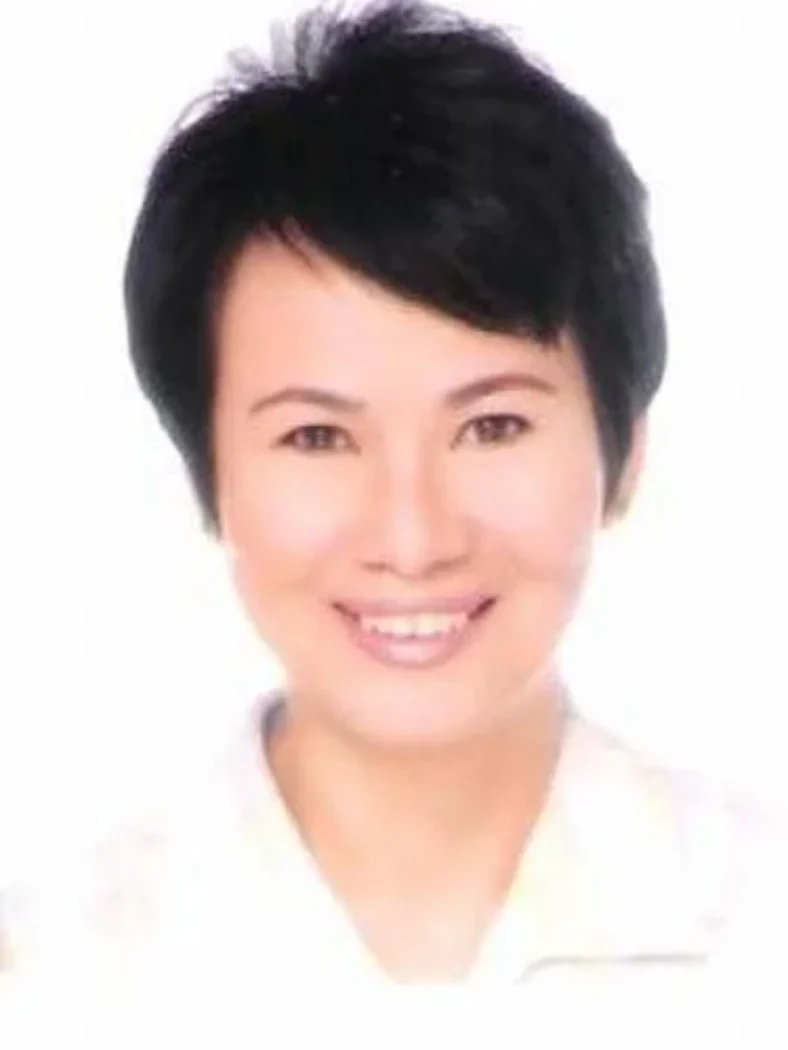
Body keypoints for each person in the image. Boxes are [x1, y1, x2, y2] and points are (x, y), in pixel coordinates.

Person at [4, 0, 787, 1043]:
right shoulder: (53, 977)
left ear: (624, 455)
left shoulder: (761, 931)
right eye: (318, 437)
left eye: (492, 426)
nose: (412, 538)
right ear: (206, 472)